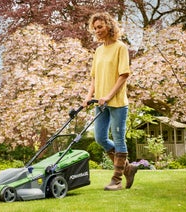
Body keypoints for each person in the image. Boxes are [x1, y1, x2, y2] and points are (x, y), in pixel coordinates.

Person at [82, 12, 138, 191]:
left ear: (109, 26)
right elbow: (94, 77)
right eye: (95, 28)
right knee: (100, 138)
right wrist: (89, 96)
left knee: (119, 138)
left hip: (117, 103)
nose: (97, 30)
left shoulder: (120, 47)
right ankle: (128, 168)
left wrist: (109, 95)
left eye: (100, 27)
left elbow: (124, 75)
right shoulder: (98, 51)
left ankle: (117, 180)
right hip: (100, 103)